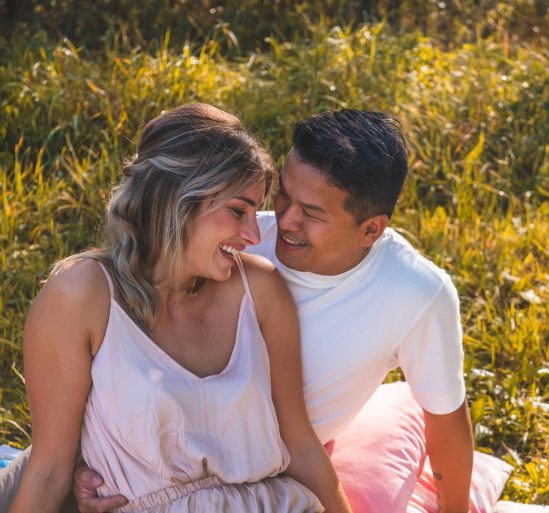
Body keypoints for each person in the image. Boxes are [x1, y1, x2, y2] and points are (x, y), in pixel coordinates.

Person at [74, 109, 476, 513]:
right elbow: (125, 353)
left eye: (312, 213)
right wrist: (90, 464)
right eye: (284, 193)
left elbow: (444, 417)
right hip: (175, 466)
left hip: (283, 470)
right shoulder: (232, 241)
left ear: (371, 230)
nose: (283, 220)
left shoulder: (416, 293)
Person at [8, 103, 352, 513]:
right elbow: (50, 469)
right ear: (177, 200)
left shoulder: (259, 290)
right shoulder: (82, 295)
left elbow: (302, 447)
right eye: (238, 211)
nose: (252, 233)